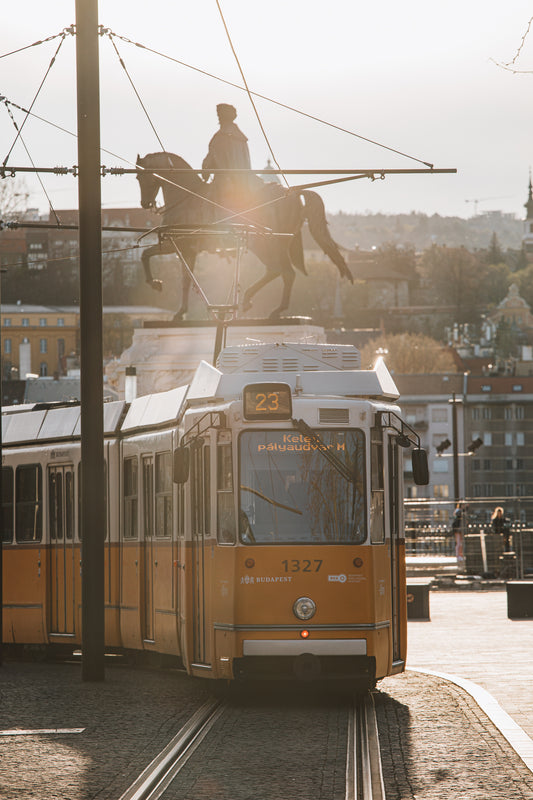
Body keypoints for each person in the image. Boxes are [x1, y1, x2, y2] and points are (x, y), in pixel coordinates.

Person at [202, 104, 253, 209]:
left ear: (222, 117)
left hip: (224, 184)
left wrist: (205, 172)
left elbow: (209, 162)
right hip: (244, 182)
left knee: (204, 206)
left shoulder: (219, 138)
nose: (218, 118)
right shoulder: (241, 138)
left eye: (219, 116)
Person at [451, 502, 465, 566]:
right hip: (458, 529)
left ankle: (459, 554)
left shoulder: (457, 511)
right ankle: (458, 554)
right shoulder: (459, 512)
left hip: (458, 529)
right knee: (459, 543)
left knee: (459, 542)